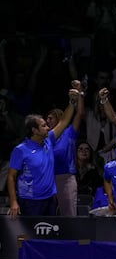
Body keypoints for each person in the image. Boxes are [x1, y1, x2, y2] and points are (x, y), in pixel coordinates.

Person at [6, 88, 77, 218]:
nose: (48, 128)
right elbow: (11, 177)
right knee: (30, 236)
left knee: (48, 235)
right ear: (34, 130)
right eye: (43, 126)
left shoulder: (49, 140)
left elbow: (64, 121)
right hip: (30, 201)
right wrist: (13, 201)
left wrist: (72, 102)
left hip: (50, 199)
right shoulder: (20, 150)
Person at [46, 80, 85, 216]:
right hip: (47, 178)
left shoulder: (69, 131)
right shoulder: (46, 137)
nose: (48, 121)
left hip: (65, 178)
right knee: (49, 215)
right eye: (47, 119)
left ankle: (71, 238)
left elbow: (79, 114)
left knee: (68, 215)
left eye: (51, 118)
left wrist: (80, 92)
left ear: (60, 118)